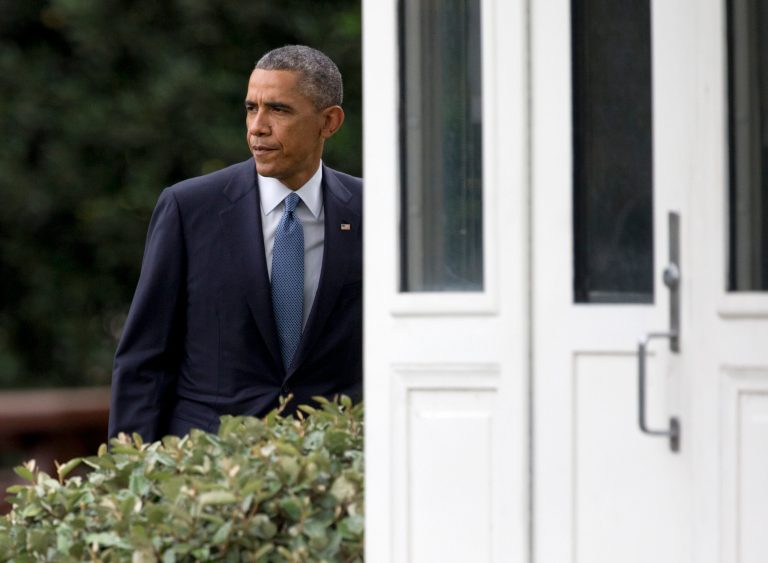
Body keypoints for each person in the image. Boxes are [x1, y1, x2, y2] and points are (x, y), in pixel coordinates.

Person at [108, 45, 362, 442]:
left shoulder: (375, 212)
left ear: (329, 122)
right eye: (250, 108)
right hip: (207, 475)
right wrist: (131, 477)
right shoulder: (188, 209)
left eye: (278, 110)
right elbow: (144, 360)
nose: (257, 127)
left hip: (331, 474)